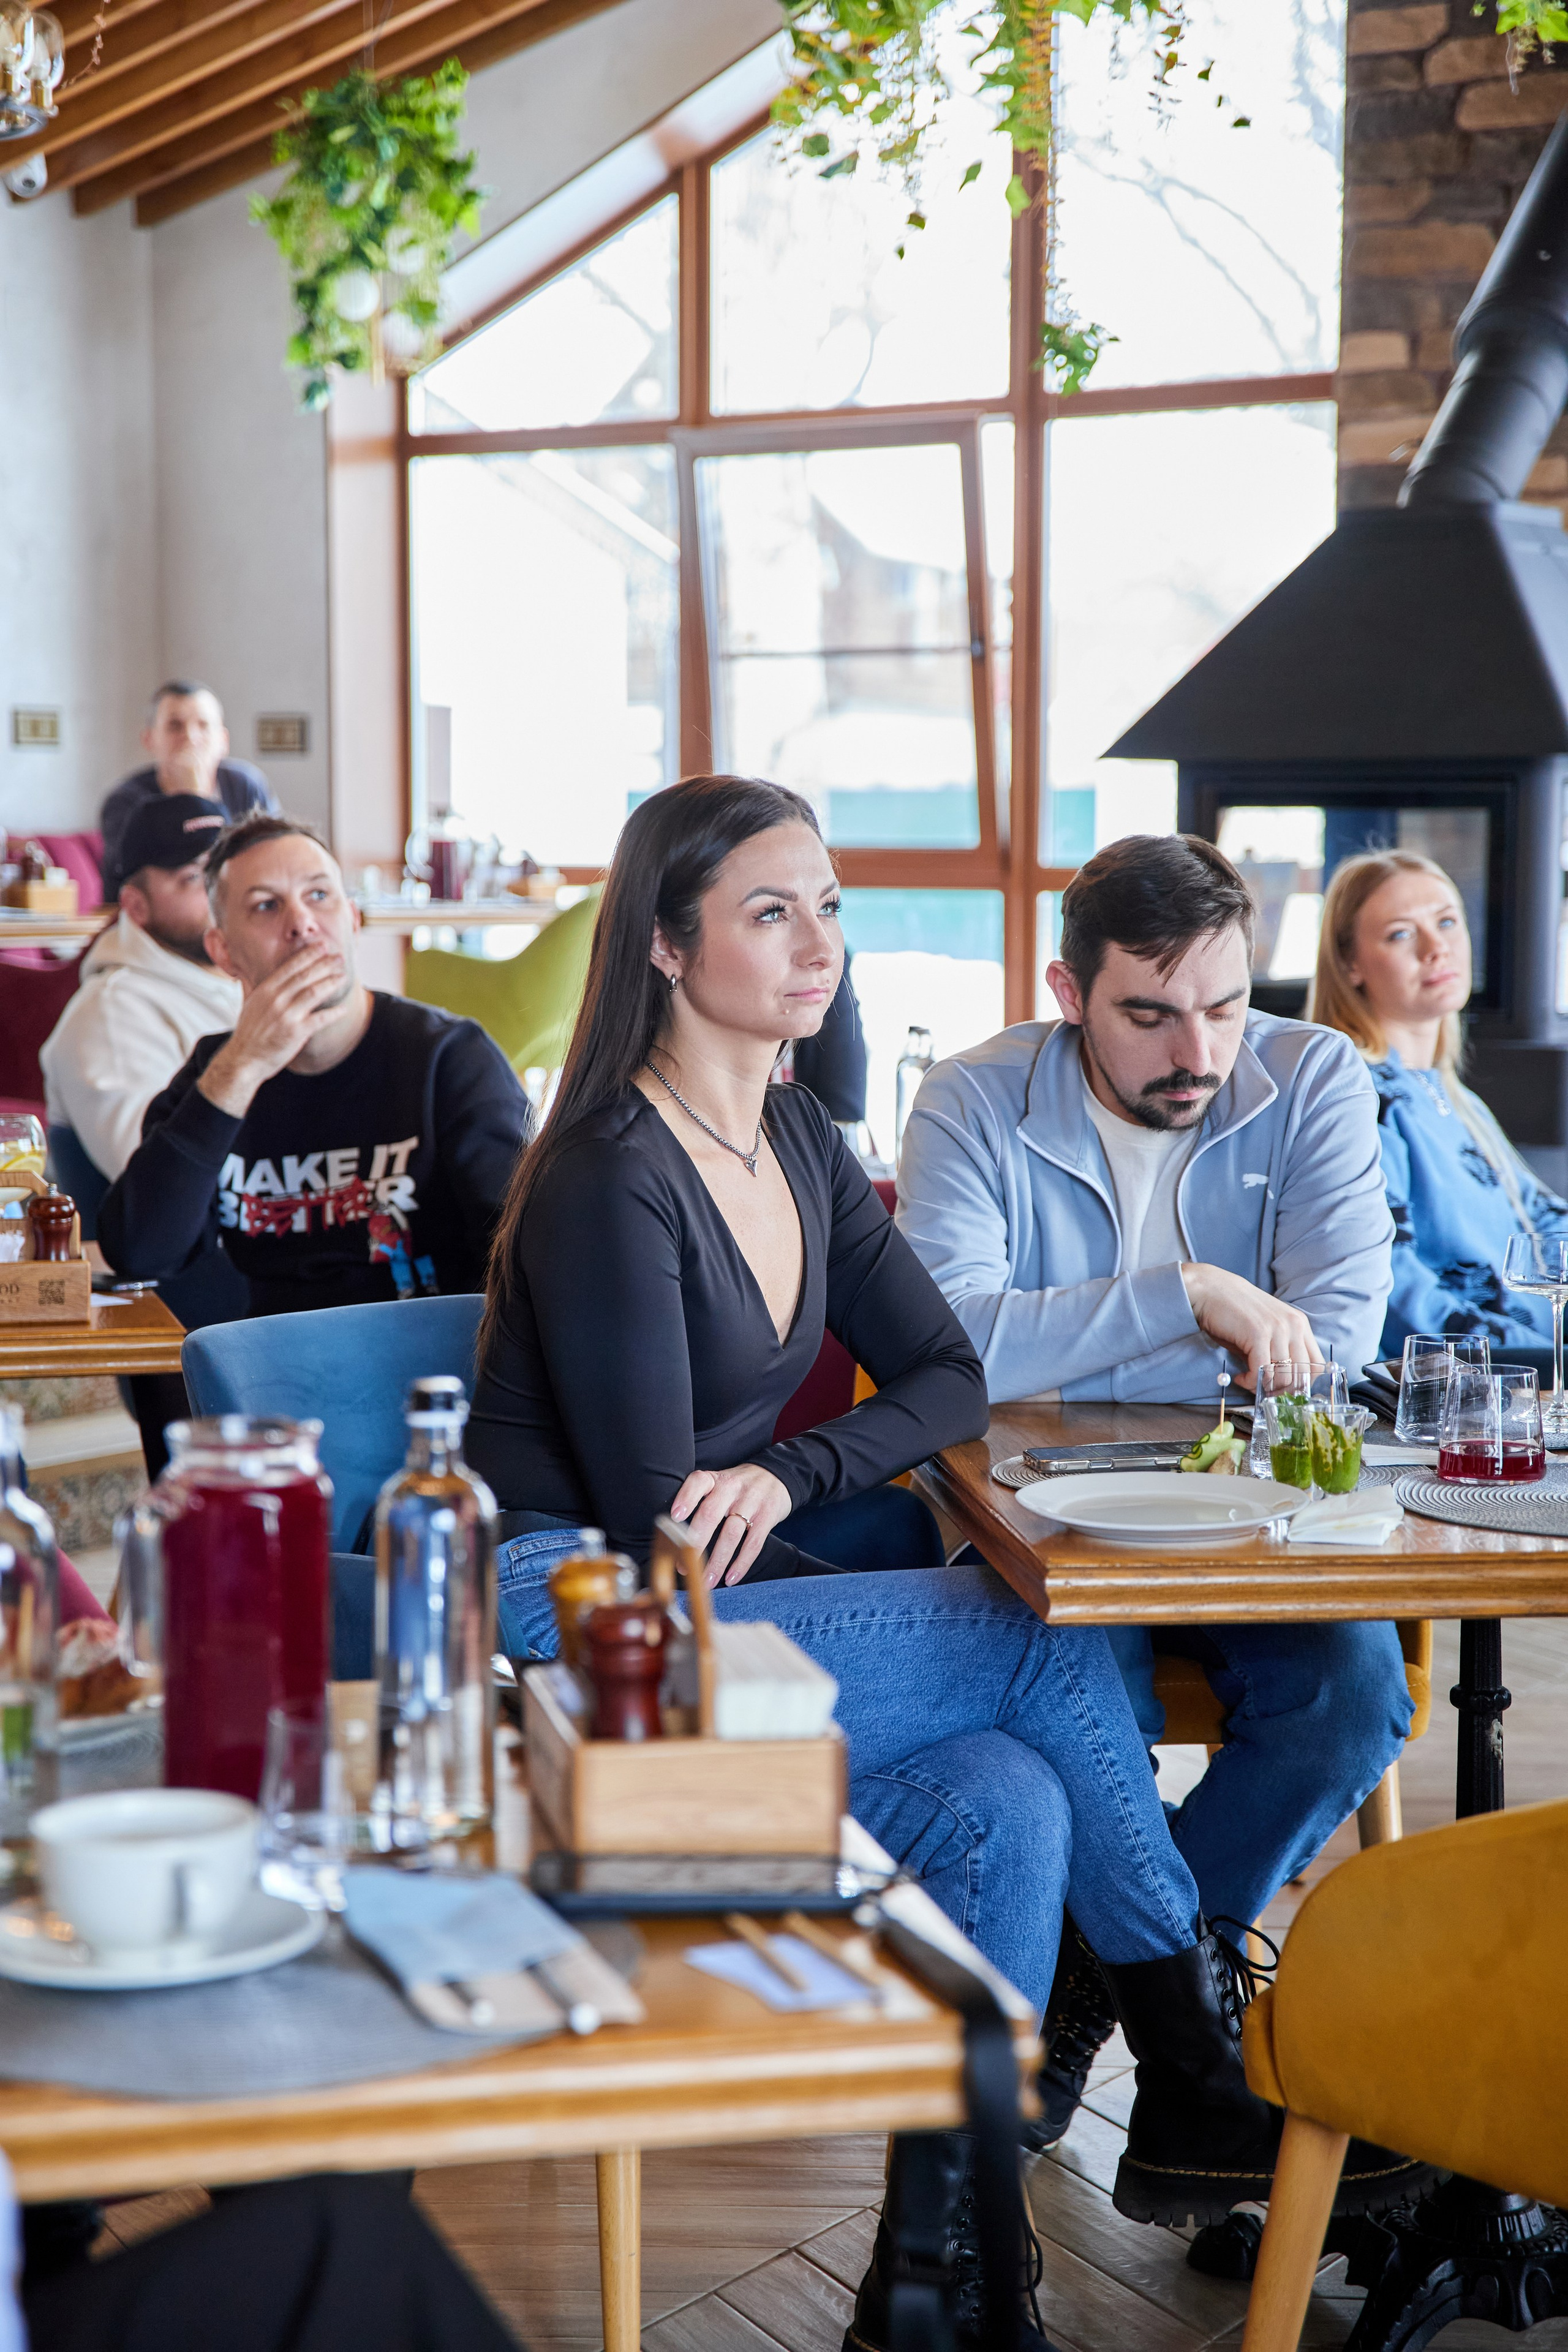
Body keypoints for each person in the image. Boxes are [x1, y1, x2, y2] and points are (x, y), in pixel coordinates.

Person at [467, 778, 1422, 2351]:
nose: (817, 942)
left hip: (719, 1591)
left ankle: (949, 2287)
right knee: (1032, 1626)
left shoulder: (786, 1130)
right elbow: (655, 1512)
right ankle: (1191, 2060)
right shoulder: (605, 1175)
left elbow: (943, 1378)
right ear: (661, 940)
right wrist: (776, 1482)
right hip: (580, 1615)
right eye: (770, 910)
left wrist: (787, 1467)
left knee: (1013, 1798)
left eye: (828, 904)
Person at [897, 832, 1412, 2153]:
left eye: (1226, 1005)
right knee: (1086, 1720)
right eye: (1148, 1013)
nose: (1197, 1049)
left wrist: (1066, 1335)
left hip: (1252, 1511)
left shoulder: (1311, 1081)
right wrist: (1195, 1300)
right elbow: (945, 1345)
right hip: (1039, 1528)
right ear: (1069, 997)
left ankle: (1098, 1973)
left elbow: (1333, 1342)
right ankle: (1174, 2012)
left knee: (1356, 1697)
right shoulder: (970, 1099)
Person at [97, 815, 530, 1317]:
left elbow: (529, 1254)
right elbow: (140, 1251)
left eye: (319, 896)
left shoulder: (450, 1057)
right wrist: (242, 1067)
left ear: (352, 920)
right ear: (223, 951)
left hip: (435, 1366)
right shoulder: (216, 1075)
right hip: (278, 1377)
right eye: (266, 905)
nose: (301, 923)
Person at [1308, 846, 1568, 1357]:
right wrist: (1546, 1361)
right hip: (1456, 1395)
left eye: (1447, 922)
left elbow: (1547, 1224)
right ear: (1349, 964)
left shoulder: (1453, 1095)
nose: (1436, 948)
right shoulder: (1360, 1096)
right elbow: (1392, 1288)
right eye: (1400, 933)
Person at [41, 794, 241, 1190]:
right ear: (136, 906)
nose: (225, 896)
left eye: (229, 873)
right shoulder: (111, 1015)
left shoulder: (244, 985)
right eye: (196, 878)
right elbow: (157, 1182)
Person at [99, 680, 278, 904]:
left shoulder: (246, 786)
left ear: (223, 741)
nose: (191, 737)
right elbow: (132, 882)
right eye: (175, 726)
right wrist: (193, 798)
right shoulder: (126, 800)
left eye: (203, 725)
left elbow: (271, 861)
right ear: (150, 739)